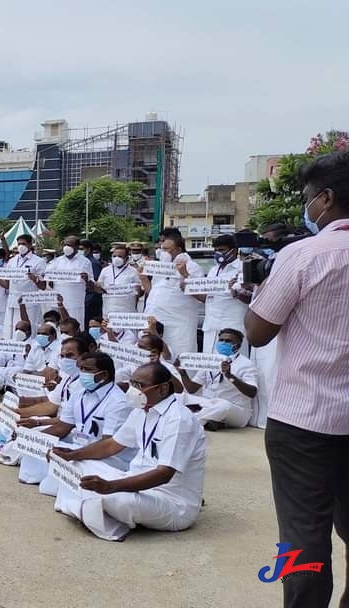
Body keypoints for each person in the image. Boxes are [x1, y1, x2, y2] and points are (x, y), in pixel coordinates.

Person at [244, 151, 349, 608]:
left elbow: (258, 331)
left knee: (301, 536)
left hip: (305, 419)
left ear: (325, 199)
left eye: (308, 197)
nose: (307, 208)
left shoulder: (305, 254)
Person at [51, 362, 207, 541]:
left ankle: (94, 509)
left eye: (139, 385)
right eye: (132, 383)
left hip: (170, 501)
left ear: (162, 389)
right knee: (77, 464)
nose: (132, 390)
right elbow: (112, 445)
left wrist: (111, 487)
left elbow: (164, 474)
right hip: (132, 480)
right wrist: (71, 455)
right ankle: (92, 508)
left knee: (118, 500)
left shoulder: (179, 420)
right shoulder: (142, 410)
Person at [16, 352, 131, 492]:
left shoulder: (118, 402)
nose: (83, 373)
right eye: (81, 369)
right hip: (77, 445)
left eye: (88, 370)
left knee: (76, 465)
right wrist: (31, 437)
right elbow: (62, 428)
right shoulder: (79, 393)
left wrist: (73, 454)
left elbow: (108, 445)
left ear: (104, 375)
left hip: (106, 456)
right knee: (39, 444)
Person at [175, 328, 256, 430]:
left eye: (228, 341)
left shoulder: (246, 364)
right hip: (209, 404)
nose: (223, 343)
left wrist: (230, 377)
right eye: (221, 340)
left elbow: (252, 392)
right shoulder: (211, 361)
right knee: (178, 396)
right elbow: (192, 389)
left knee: (223, 406)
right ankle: (211, 421)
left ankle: (189, 421)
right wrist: (182, 373)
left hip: (235, 409)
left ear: (238, 345)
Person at [142, 231, 202, 356]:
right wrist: (142, 277)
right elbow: (153, 292)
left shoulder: (192, 267)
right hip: (156, 322)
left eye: (166, 249)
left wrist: (185, 274)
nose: (162, 252)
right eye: (161, 249)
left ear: (178, 249)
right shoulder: (162, 268)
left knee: (178, 356)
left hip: (178, 324)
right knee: (153, 357)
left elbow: (199, 293)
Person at [192, 235, 250, 353]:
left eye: (222, 250)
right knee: (210, 366)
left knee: (234, 365)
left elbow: (251, 299)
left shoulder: (243, 268)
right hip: (211, 326)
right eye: (216, 250)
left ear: (233, 250)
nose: (218, 253)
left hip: (233, 328)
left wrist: (236, 293)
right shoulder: (214, 271)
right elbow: (208, 298)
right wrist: (190, 291)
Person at [0, 234, 47, 335]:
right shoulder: (12, 261)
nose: (21, 246)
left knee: (28, 329)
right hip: (12, 301)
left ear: (30, 245)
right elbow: (7, 285)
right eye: (19, 244)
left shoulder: (39, 261)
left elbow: (43, 286)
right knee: (10, 329)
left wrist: (35, 280)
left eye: (24, 244)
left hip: (29, 302)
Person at [46, 235, 95, 324]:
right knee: (57, 328)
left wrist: (87, 279)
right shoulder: (56, 261)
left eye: (70, 245)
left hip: (75, 302)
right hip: (57, 302)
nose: (66, 247)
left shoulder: (85, 262)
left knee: (75, 327)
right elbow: (48, 279)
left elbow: (91, 285)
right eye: (65, 245)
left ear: (76, 247)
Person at [93, 244, 143, 315]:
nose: (116, 258)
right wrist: (96, 287)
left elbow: (140, 292)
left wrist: (138, 290)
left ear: (126, 258)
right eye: (114, 256)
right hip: (108, 309)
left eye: (120, 256)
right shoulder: (105, 270)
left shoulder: (134, 271)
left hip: (127, 311)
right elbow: (99, 289)